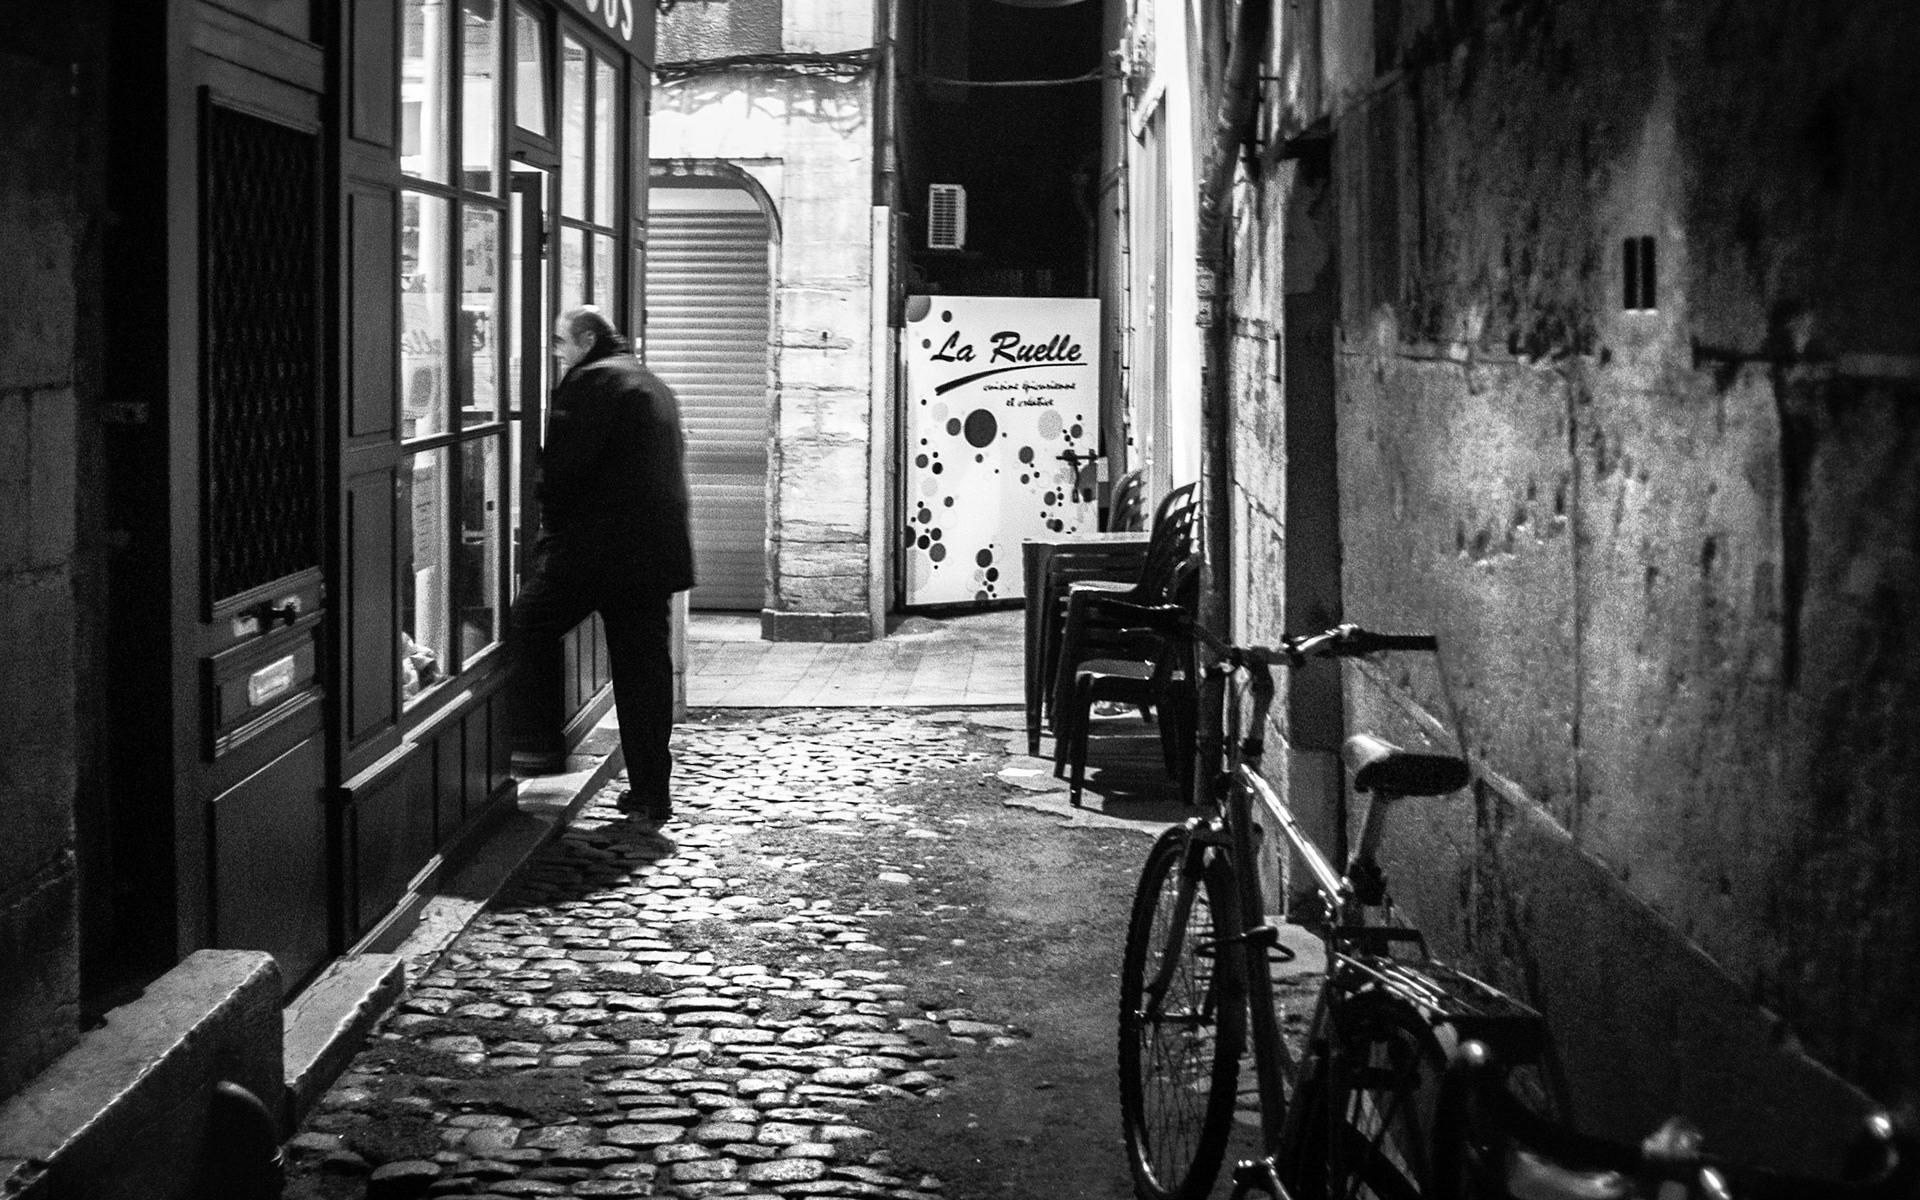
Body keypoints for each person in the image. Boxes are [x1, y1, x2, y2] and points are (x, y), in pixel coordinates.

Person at [509, 305, 694, 824]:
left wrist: (551, 541)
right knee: (643, 674)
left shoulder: (590, 383)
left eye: (561, 341)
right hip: (650, 555)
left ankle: (537, 746)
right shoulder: (648, 382)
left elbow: (560, 474)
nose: (556, 352)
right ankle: (651, 791)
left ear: (587, 340)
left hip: (597, 552)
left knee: (526, 626)